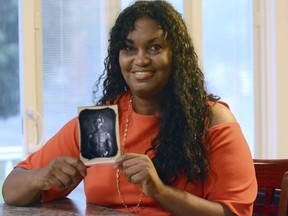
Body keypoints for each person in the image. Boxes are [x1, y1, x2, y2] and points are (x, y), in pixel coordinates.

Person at [2, 1, 257, 215]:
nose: (141, 59)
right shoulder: (100, 120)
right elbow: (11, 188)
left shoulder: (212, 120)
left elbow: (234, 212)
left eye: (155, 47)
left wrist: (159, 190)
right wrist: (42, 176)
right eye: (129, 48)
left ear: (176, 56)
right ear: (118, 57)